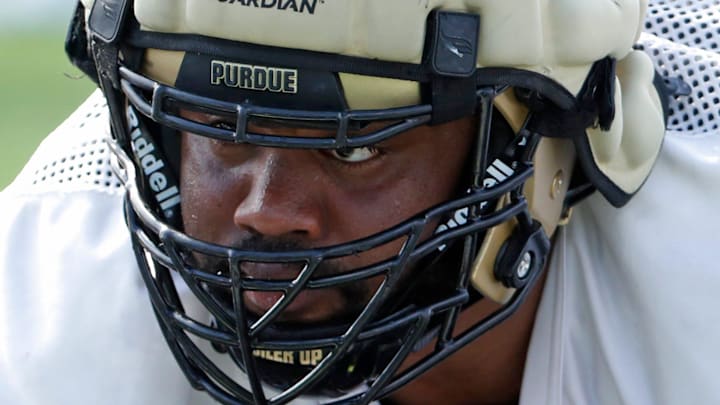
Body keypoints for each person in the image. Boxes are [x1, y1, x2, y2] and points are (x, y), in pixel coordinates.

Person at [1, 0, 719, 404]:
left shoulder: (696, 251)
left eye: (354, 148)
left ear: (545, 145)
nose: (266, 210)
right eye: (221, 128)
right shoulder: (59, 290)